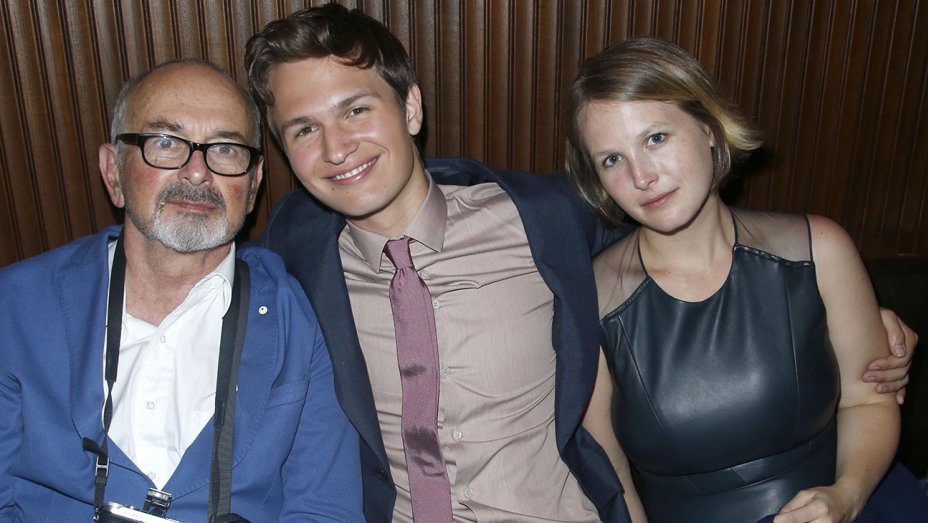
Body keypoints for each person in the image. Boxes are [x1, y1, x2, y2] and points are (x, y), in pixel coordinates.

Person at [243, 5, 915, 521]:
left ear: (411, 106)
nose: (337, 147)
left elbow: (684, 245)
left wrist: (849, 309)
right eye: (304, 129)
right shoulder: (289, 256)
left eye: (357, 109)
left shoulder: (548, 221)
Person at [567, 36, 928, 523]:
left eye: (655, 138)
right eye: (611, 159)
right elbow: (609, 473)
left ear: (710, 130)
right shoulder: (592, 298)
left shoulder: (819, 249)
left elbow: (868, 400)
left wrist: (847, 495)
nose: (642, 176)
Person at [0, 60, 363, 521]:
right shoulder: (14, 308)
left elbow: (325, 510)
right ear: (113, 172)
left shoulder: (300, 316)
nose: (197, 172)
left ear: (252, 187)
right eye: (165, 143)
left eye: (226, 149)